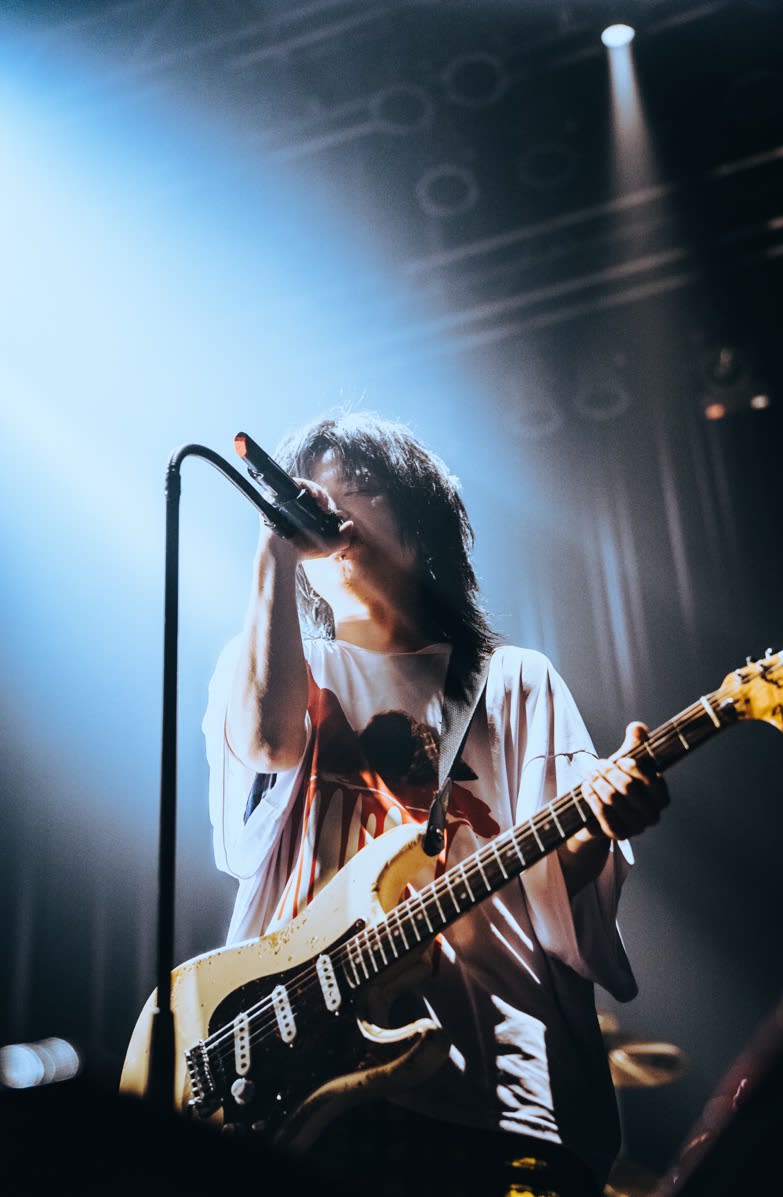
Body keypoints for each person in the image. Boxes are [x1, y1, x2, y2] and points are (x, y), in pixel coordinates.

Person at [202, 410, 670, 1197]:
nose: (326, 501)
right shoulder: (282, 666)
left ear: (420, 524)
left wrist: (602, 819)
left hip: (490, 1092)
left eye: (359, 483)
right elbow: (267, 741)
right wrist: (275, 546)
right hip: (306, 1085)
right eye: (308, 490)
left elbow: (564, 886)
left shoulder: (514, 682)